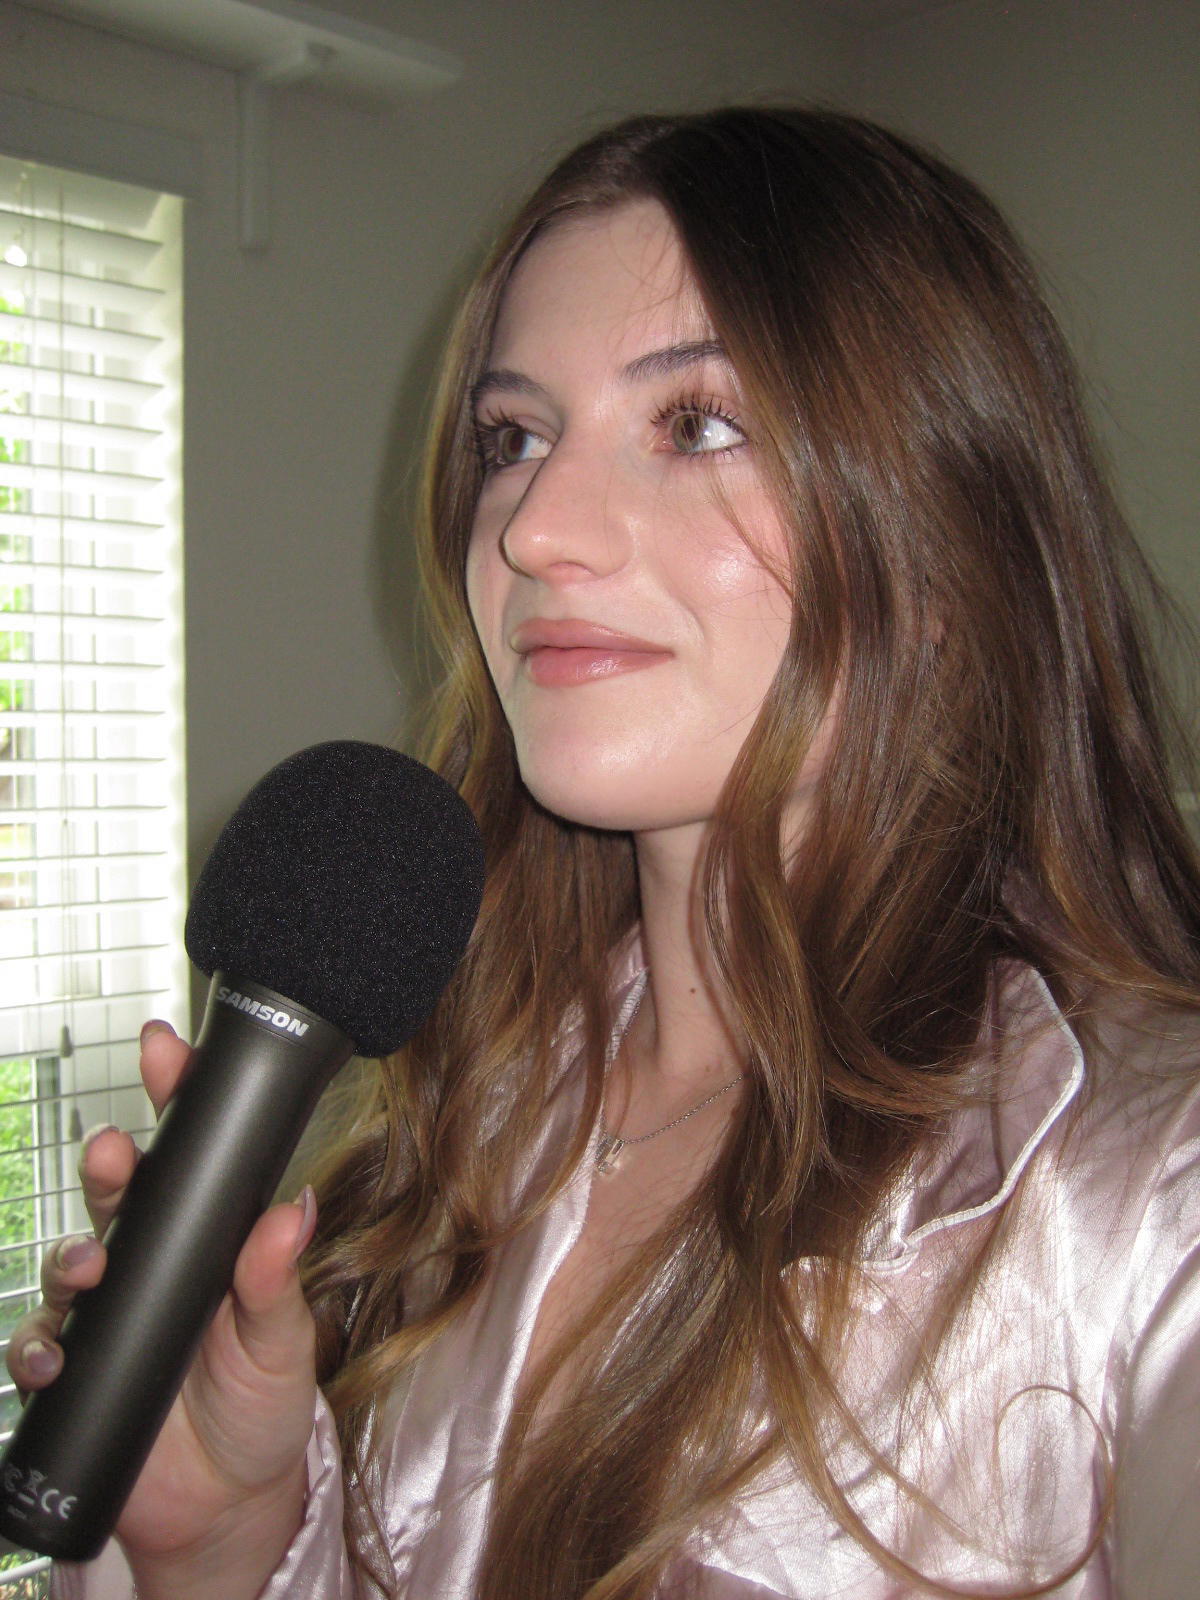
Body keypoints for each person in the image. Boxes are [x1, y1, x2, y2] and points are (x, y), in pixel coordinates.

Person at [9, 106, 1200, 1600]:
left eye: (697, 421)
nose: (534, 530)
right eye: (513, 440)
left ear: (947, 534)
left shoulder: (1149, 1206)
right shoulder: (482, 1113)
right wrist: (232, 1550)